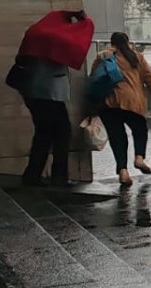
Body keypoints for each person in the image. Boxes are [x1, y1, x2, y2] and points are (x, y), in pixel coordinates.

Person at [12, 11, 92, 187]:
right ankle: (58, 176)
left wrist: (71, 15)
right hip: (49, 93)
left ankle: (32, 175)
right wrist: (83, 22)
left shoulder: (35, 33)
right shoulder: (55, 39)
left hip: (31, 91)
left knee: (43, 133)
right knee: (62, 133)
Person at [92, 32, 151, 187]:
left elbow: (93, 79)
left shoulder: (102, 56)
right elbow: (150, 81)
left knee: (117, 137)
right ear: (128, 42)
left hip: (108, 103)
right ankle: (139, 158)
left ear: (111, 43)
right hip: (132, 102)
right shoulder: (137, 57)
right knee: (140, 129)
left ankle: (123, 172)